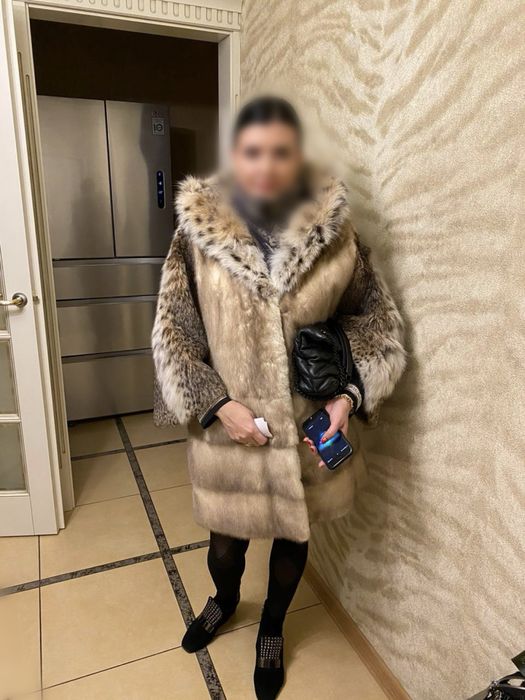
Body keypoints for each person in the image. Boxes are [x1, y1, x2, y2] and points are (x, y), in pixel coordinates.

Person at [152, 96, 406, 699]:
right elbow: (174, 331)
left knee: (295, 537)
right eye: (252, 151)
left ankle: (272, 626)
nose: (266, 165)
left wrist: (348, 397)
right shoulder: (197, 237)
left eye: (280, 152)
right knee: (225, 545)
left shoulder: (337, 239)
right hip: (229, 432)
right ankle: (225, 599)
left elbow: (377, 324)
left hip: (308, 431)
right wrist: (219, 406)